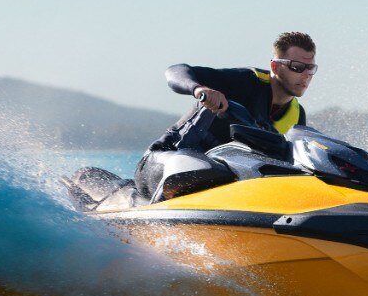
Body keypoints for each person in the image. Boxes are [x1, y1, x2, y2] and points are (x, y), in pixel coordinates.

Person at [134, 31, 318, 199]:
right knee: (200, 168)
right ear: (275, 67)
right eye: (297, 67)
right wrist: (199, 90)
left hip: (216, 182)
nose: (306, 75)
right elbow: (175, 71)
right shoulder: (244, 81)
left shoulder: (296, 116)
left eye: (310, 68)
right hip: (163, 164)